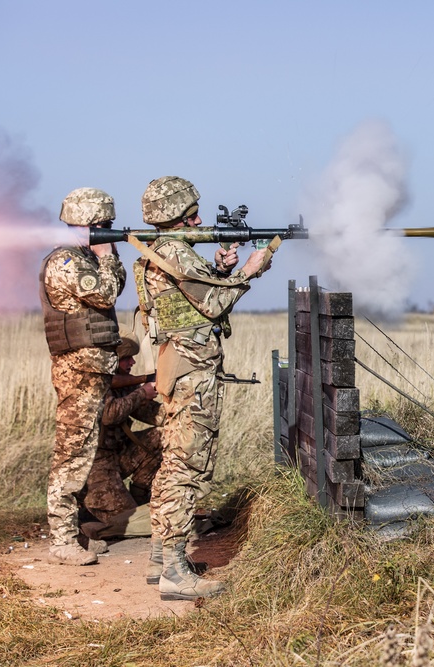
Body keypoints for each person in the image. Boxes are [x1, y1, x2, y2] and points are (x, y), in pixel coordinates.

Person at [134, 175, 275, 600]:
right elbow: (213, 304)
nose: (199, 218)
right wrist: (250, 271)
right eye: (192, 213)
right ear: (178, 216)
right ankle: (175, 573)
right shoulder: (175, 253)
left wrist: (219, 270)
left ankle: (162, 558)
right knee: (187, 466)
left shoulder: (154, 251)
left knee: (172, 461)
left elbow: (193, 297)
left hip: (177, 369)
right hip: (192, 374)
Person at [39, 187, 125, 565]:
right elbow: (106, 295)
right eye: (105, 225)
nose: (108, 231)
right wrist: (108, 257)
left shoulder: (84, 258)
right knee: (71, 454)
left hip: (91, 370)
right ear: (91, 224)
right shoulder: (67, 263)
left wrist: (108, 255)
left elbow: (112, 289)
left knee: (84, 451)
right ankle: (60, 541)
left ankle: (72, 532)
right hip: (77, 371)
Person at [77, 331, 163, 545]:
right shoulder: (93, 383)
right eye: (126, 358)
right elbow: (109, 415)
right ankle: (87, 519)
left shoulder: (124, 384)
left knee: (162, 437)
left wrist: (176, 402)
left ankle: (141, 496)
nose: (132, 362)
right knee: (129, 521)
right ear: (113, 359)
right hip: (94, 465)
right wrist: (142, 392)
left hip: (118, 455)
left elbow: (150, 414)